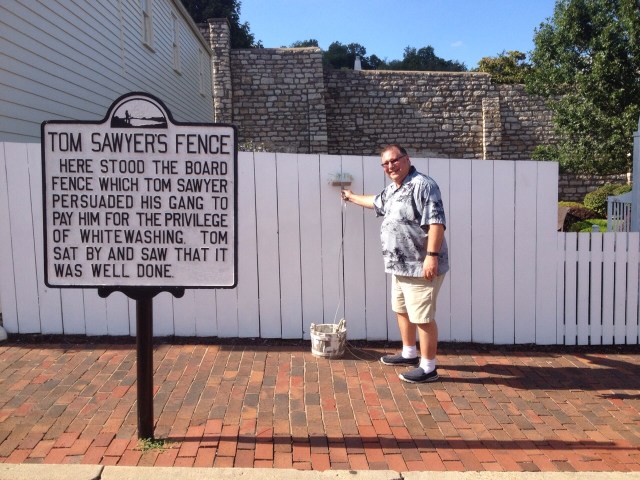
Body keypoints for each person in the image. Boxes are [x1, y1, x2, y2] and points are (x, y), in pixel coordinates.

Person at [341, 144, 449, 383]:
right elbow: (375, 202)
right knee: (402, 309)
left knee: (422, 317)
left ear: (407, 159)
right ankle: (409, 353)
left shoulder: (423, 185)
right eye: (386, 163)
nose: (391, 166)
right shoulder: (393, 189)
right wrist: (351, 197)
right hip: (400, 266)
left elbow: (436, 223)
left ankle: (429, 368)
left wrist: (431, 256)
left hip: (420, 266)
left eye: (395, 160)